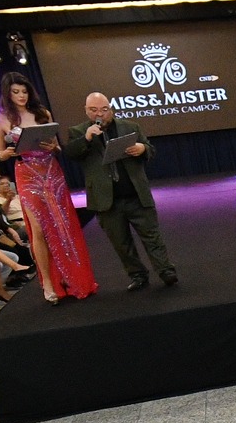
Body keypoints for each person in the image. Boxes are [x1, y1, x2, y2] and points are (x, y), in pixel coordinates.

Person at [0, 74, 98, 305]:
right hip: (26, 173)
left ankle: (72, 276)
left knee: (62, 225)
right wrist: (7, 153)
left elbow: (56, 146)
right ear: (7, 94)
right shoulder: (0, 120)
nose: (21, 96)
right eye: (16, 92)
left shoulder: (42, 114)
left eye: (24, 91)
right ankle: (48, 283)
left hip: (51, 171)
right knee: (39, 229)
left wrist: (53, 147)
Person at [63, 92, 176, 290]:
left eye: (104, 109)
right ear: (86, 110)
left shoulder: (130, 126)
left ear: (111, 109)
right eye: (94, 110)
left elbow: (150, 149)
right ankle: (138, 275)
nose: (100, 114)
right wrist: (87, 138)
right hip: (106, 200)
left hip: (135, 194)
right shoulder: (78, 131)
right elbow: (71, 153)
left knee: (152, 236)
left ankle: (166, 271)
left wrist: (142, 148)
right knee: (121, 243)